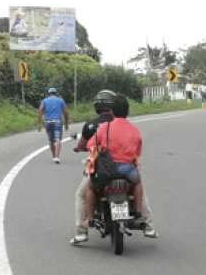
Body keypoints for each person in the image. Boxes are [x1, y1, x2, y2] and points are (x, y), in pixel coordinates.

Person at [70, 91, 156, 243]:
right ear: (127, 111)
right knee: (138, 184)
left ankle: (84, 227)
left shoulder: (103, 127)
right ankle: (145, 221)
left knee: (88, 189)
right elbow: (138, 151)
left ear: (112, 111)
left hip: (106, 170)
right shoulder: (134, 129)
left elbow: (90, 145)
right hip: (128, 170)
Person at [38, 87, 70, 164]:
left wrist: (39, 124)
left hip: (48, 122)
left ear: (48, 94)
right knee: (58, 139)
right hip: (57, 122)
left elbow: (40, 111)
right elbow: (66, 112)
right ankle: (57, 157)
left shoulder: (44, 101)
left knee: (51, 140)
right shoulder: (60, 100)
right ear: (56, 94)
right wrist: (66, 123)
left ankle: (54, 156)